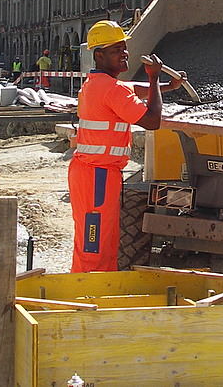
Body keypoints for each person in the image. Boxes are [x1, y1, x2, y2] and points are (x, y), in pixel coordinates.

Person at [68, 20, 185, 273]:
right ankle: (84, 298)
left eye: (124, 48)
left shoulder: (97, 83)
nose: (124, 54)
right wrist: (154, 79)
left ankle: (98, 292)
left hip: (94, 174)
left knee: (105, 242)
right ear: (99, 55)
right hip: (97, 175)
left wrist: (165, 86)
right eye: (116, 50)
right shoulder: (111, 90)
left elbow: (132, 89)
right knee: (94, 244)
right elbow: (152, 121)